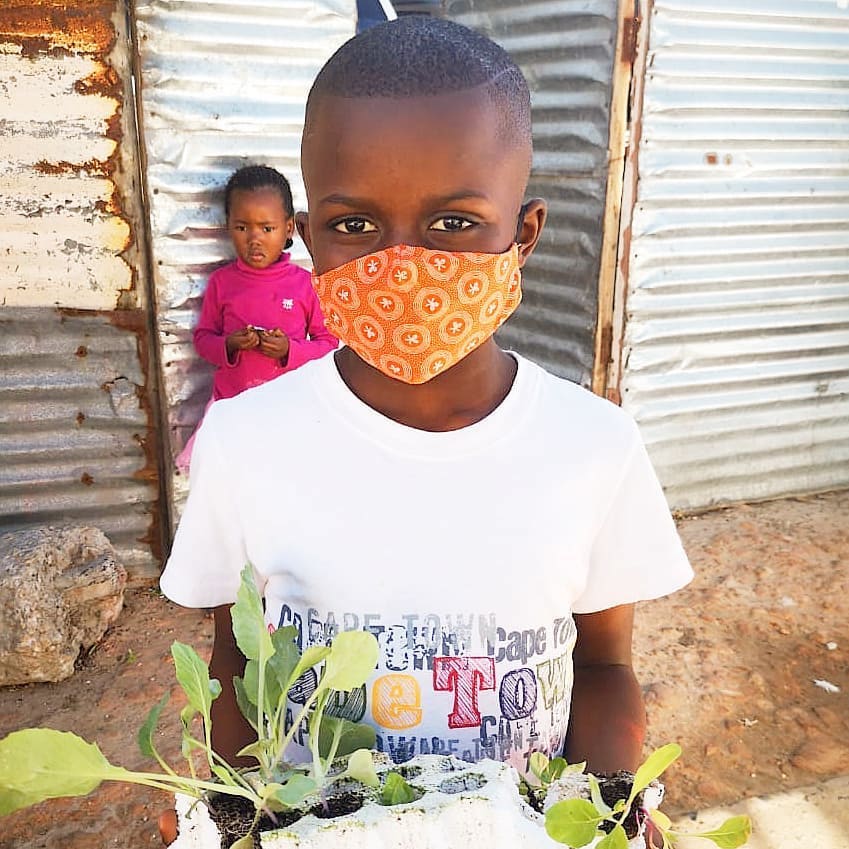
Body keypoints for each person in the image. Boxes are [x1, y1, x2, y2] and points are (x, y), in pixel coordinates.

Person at [160, 16, 692, 796]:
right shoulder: (244, 443)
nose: (402, 265)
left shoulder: (594, 446)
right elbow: (236, 663)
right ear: (308, 241)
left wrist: (609, 810)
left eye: (453, 222)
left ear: (526, 232)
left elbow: (604, 663)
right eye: (354, 225)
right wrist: (242, 819)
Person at [175, 164, 338, 472]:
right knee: (235, 480)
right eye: (242, 227)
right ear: (228, 226)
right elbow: (203, 341)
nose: (254, 239)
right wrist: (231, 346)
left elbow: (328, 345)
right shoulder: (223, 283)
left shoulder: (305, 284)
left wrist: (289, 350)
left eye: (267, 228)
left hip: (289, 410)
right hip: (232, 409)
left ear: (288, 228)